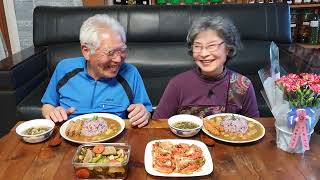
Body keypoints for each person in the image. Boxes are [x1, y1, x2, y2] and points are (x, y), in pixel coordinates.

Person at [41, 14, 152, 128]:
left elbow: (146, 111)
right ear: (86, 51)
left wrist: (144, 114)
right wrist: (52, 112)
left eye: (122, 50)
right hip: (72, 135)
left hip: (114, 140)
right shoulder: (64, 68)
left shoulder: (130, 73)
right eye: (110, 52)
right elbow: (48, 105)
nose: (118, 59)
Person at [153, 16, 259, 119]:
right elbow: (158, 125)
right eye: (197, 46)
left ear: (228, 48)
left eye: (212, 45)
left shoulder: (242, 85)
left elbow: (253, 128)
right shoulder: (177, 84)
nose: (204, 53)